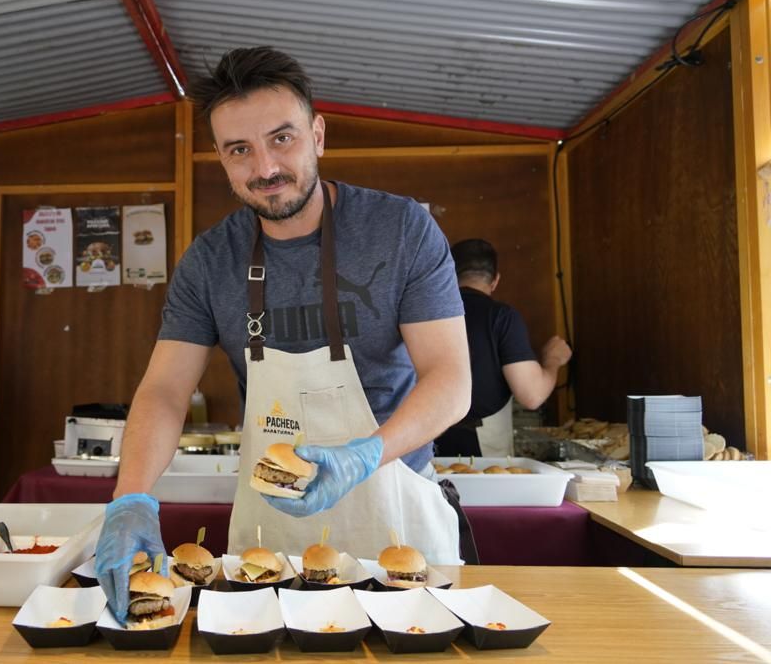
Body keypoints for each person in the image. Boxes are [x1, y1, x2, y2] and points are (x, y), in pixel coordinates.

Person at [95, 46, 474, 624]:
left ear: (318, 135)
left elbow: (450, 380)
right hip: (269, 530)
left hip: (398, 503)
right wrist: (131, 497)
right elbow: (165, 390)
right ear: (220, 159)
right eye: (239, 150)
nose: (265, 167)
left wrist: (365, 453)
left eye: (282, 138)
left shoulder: (400, 230)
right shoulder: (209, 261)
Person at [433, 239, 572, 457]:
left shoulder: (427, 315)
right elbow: (532, 395)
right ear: (495, 280)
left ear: (449, 275)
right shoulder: (501, 317)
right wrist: (552, 360)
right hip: (482, 445)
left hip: (426, 438)